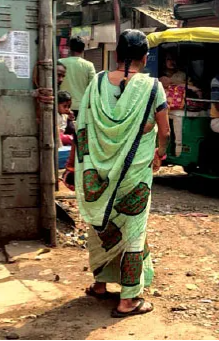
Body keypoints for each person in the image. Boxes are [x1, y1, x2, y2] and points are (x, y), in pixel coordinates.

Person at [75, 29, 170, 317]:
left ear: (117, 55)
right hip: (135, 172)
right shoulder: (153, 88)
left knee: (101, 223)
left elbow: (84, 125)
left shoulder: (97, 82)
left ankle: (101, 284)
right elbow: (164, 130)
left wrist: (75, 165)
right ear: (145, 57)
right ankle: (128, 299)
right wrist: (159, 153)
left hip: (97, 170)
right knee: (133, 231)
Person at [59, 36, 97, 117]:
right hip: (82, 107)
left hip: (62, 106)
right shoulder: (89, 65)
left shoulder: (60, 63)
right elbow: (93, 87)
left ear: (70, 48)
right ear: (83, 49)